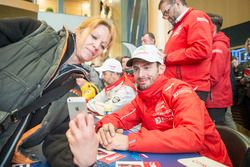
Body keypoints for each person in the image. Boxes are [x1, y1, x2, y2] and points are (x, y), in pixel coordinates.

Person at [0, 16, 115, 164]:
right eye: (94, 37)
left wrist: (83, 162)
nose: (96, 46)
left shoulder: (74, 92)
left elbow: (57, 141)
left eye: (103, 46)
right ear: (79, 30)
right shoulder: (36, 32)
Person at [94, 45, 232, 166]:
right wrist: (104, 128)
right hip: (170, 158)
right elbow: (117, 118)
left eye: (147, 67)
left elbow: (191, 137)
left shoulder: (181, 91)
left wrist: (129, 141)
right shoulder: (142, 97)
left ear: (161, 69)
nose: (141, 75)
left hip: (205, 160)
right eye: (136, 69)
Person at [158, 0, 214, 101]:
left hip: (191, 86)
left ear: (178, 3)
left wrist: (167, 57)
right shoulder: (179, 25)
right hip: (180, 86)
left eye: (167, 12)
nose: (166, 17)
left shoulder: (195, 17)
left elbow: (201, 50)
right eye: (164, 15)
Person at [205, 13, 233, 125]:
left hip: (215, 99)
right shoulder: (215, 45)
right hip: (215, 98)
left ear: (212, 27)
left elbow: (213, 76)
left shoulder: (218, 47)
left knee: (219, 132)